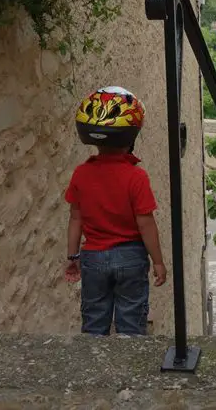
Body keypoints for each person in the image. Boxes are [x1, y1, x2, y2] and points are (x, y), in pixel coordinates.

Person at [64, 86, 167, 336]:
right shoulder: (136, 176)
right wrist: (158, 261)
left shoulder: (81, 173)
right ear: (131, 138)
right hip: (131, 258)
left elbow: (75, 220)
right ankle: (128, 371)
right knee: (131, 324)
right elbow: (145, 223)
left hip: (94, 259)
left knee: (94, 323)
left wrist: (72, 258)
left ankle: (93, 371)